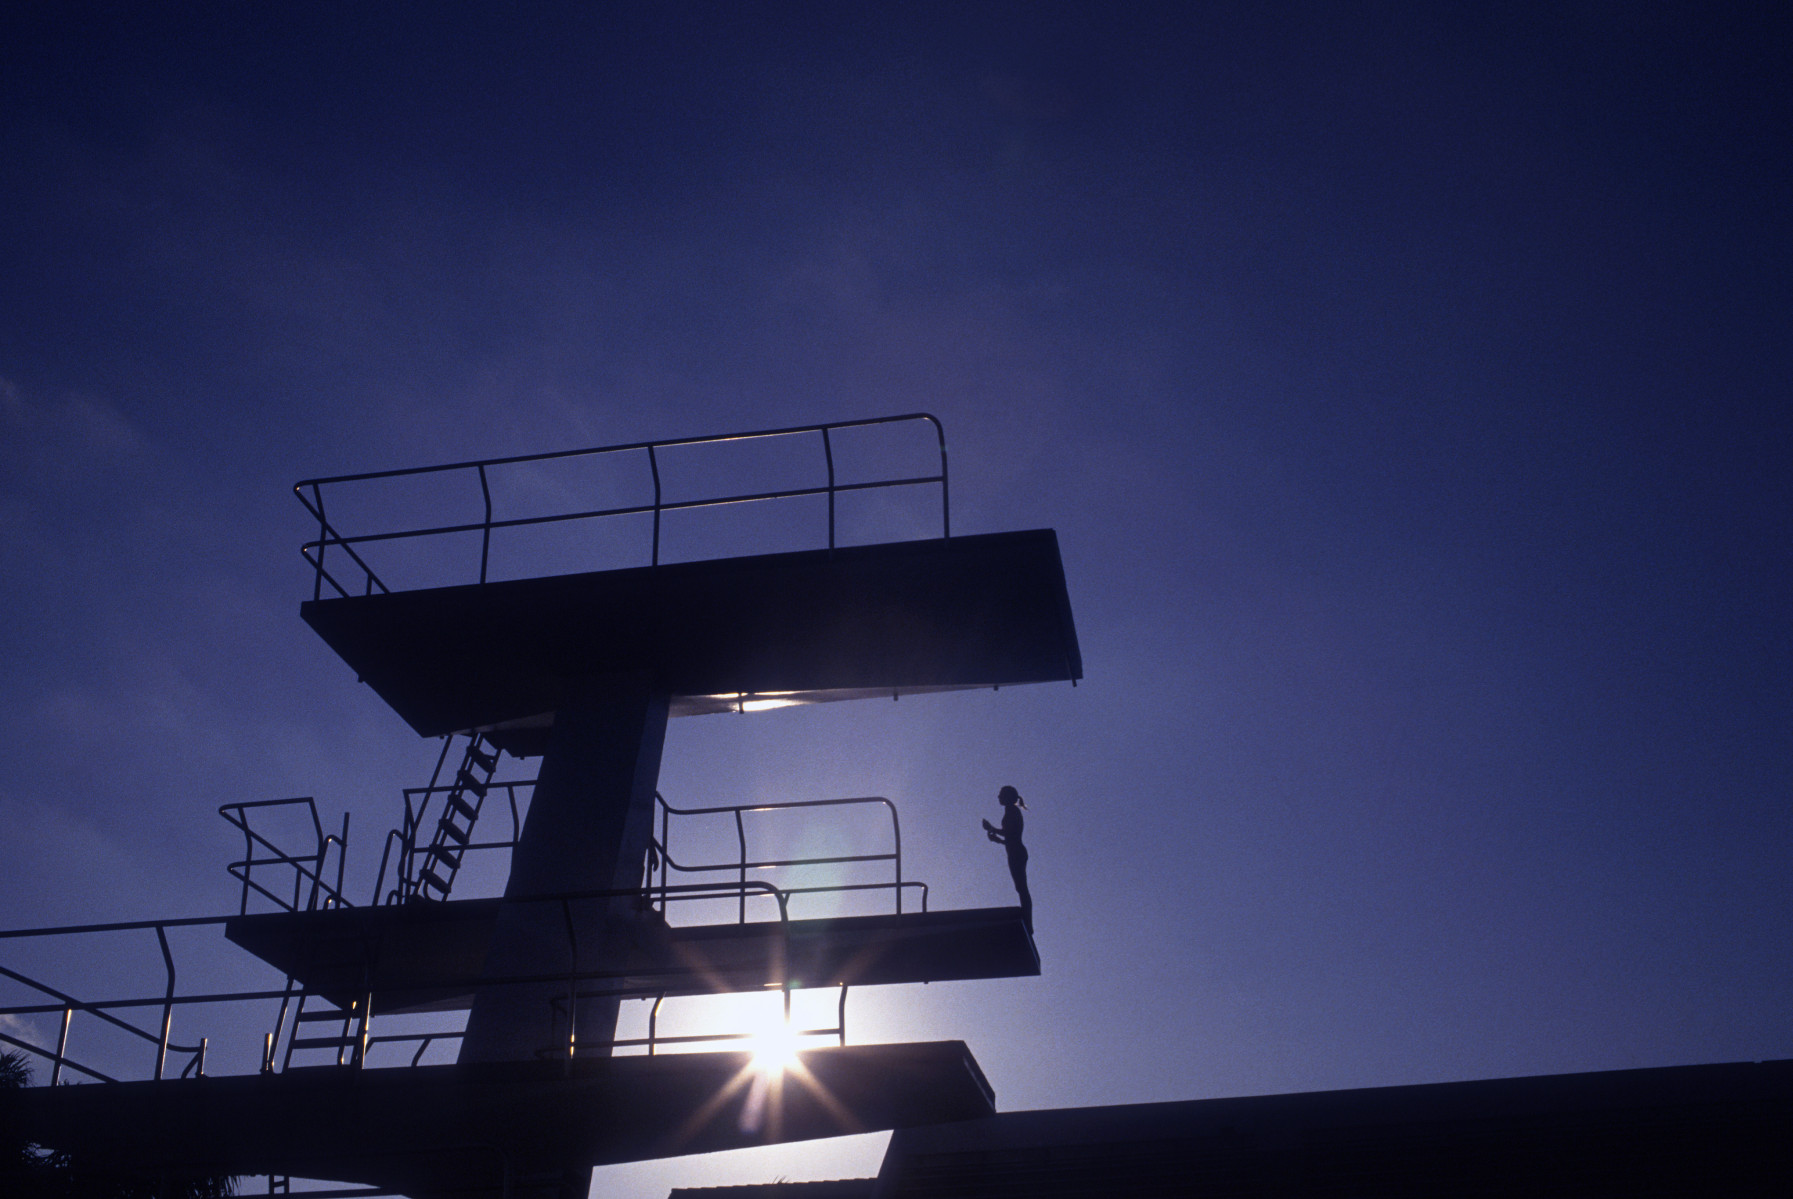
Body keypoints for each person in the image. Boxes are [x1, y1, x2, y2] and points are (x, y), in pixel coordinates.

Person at [982, 784, 1033, 934]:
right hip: (1015, 850)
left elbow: (1010, 833)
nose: (998, 797)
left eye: (1000, 794)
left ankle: (1028, 923)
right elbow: (1011, 838)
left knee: (1022, 888)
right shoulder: (1010, 811)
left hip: (1017, 852)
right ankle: (1027, 920)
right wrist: (997, 840)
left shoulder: (1012, 810)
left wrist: (991, 828)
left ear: (1007, 797)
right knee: (1020, 887)